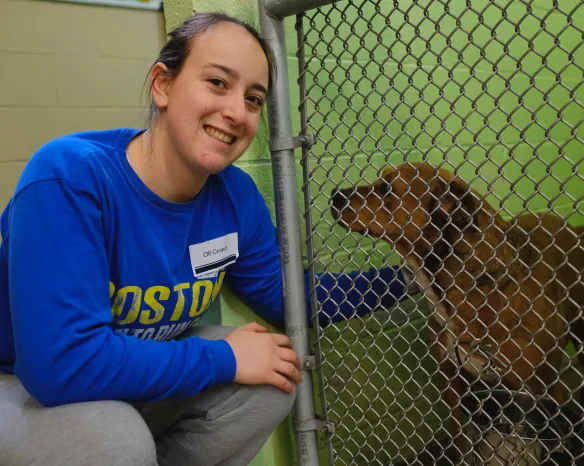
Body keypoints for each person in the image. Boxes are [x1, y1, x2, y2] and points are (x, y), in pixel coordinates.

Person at [0, 12, 413, 466]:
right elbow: (62, 364)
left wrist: (415, 277)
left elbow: (290, 297)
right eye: (218, 82)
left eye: (254, 99)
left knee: (274, 374)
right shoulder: (71, 176)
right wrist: (222, 358)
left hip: (131, 375)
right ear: (162, 84)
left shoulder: (235, 197)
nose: (237, 111)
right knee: (114, 440)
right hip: (23, 384)